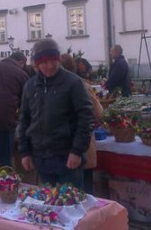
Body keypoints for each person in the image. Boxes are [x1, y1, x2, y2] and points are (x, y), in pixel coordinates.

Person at [18, 39, 95, 189]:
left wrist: (77, 151)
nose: (50, 65)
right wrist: (25, 152)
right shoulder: (30, 86)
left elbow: (85, 118)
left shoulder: (73, 83)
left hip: (66, 156)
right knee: (48, 205)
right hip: (40, 158)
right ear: (37, 63)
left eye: (53, 60)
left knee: (71, 206)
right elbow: (24, 119)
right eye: (44, 62)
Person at [59, 53, 103, 194]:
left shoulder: (50, 86)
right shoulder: (81, 85)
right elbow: (97, 113)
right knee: (84, 189)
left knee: (64, 191)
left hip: (60, 147)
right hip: (81, 143)